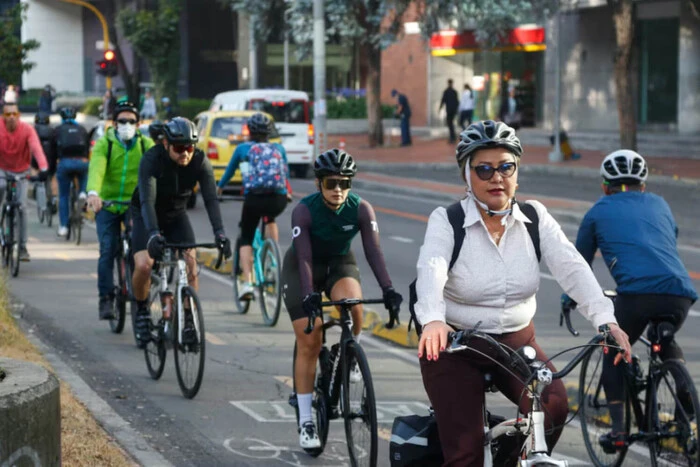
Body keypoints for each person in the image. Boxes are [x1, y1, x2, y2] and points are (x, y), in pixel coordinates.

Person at [414, 120, 632, 466]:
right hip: (455, 344)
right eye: (483, 169)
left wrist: (606, 321)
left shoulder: (536, 217)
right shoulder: (447, 220)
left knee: (553, 407)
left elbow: (573, 267)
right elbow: (432, 268)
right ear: (466, 176)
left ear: (517, 173)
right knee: (466, 451)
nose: (496, 177)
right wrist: (433, 320)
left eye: (505, 167)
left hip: (516, 342)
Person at [563, 149, 698, 451]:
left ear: (604, 186)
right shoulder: (660, 204)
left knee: (613, 348)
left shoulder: (598, 210)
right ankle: (683, 392)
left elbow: (578, 263)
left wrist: (568, 298)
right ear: (644, 185)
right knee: (663, 340)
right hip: (679, 293)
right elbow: (666, 241)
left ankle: (620, 432)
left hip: (637, 295)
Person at [282, 148, 403, 449]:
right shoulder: (304, 210)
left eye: (344, 183)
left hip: (339, 262)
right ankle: (307, 419)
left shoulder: (361, 209)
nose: (338, 189)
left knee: (355, 307)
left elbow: (373, 252)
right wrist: (310, 294)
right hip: (302, 268)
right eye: (331, 183)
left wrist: (388, 289)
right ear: (319, 184)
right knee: (310, 340)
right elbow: (305, 257)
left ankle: (350, 354)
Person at [130, 117, 232, 349]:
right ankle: (143, 311)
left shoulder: (200, 161)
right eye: (179, 148)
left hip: (176, 214)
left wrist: (220, 234)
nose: (185, 153)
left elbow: (210, 199)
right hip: (147, 213)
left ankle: (188, 321)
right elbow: (147, 200)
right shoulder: (152, 160)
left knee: (191, 265)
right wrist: (154, 234)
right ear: (166, 144)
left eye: (189, 147)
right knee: (145, 265)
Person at [87, 101, 154, 320]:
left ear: (139, 124)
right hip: (107, 204)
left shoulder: (146, 145)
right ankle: (106, 297)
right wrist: (94, 193)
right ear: (114, 124)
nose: (127, 125)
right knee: (108, 249)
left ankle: (141, 293)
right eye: (122, 121)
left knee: (141, 250)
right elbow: (97, 168)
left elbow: (156, 172)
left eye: (131, 121)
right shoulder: (104, 144)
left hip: (134, 205)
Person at [216, 112, 292, 299]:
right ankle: (272, 259)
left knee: (246, 236)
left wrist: (219, 189)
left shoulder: (243, 149)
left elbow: (228, 173)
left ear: (249, 131)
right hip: (278, 199)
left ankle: (247, 282)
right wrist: (287, 192)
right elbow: (285, 175)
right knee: (270, 217)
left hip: (254, 199)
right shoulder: (278, 149)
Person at [0, 102, 49, 260]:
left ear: (19, 115)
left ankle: (22, 247)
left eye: (15, 114)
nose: (12, 118)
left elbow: (36, 148)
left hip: (21, 170)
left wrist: (43, 168)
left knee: (21, 207)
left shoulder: (27, 129)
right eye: (8, 115)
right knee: (1, 186)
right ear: (3, 117)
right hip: (2, 169)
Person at [53, 107, 89, 237]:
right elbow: (88, 147)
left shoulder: (57, 130)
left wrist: (52, 170)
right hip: (82, 162)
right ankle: (83, 193)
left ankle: (63, 227)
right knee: (84, 176)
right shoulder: (82, 129)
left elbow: (53, 152)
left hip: (65, 163)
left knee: (63, 196)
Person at [439, 79, 459, 144]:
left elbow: (443, 100)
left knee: (450, 124)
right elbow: (457, 102)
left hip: (449, 110)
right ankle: (453, 137)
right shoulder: (454, 92)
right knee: (451, 124)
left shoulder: (446, 91)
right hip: (453, 110)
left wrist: (440, 108)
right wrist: (456, 110)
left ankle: (452, 137)